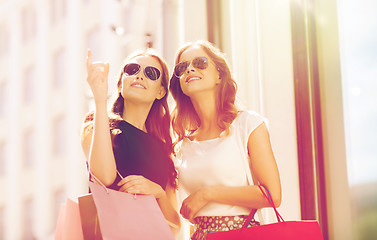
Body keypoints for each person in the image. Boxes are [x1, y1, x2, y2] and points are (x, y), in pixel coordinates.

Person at [169, 40, 281, 240]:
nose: (190, 69)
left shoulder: (247, 124)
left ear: (219, 75)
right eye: (182, 67)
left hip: (242, 234)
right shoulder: (182, 146)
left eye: (200, 62)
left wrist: (207, 194)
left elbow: (273, 194)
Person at [80, 48, 180, 234]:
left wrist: (157, 192)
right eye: (132, 69)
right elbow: (104, 177)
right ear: (120, 84)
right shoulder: (96, 125)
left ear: (160, 92)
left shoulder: (164, 149)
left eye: (151, 73)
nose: (140, 75)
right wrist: (100, 100)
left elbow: (174, 226)